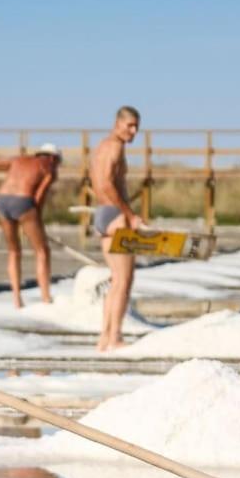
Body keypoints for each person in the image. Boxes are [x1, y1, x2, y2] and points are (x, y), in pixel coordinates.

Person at [0, 144, 62, 308]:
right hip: (24, 202)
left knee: (14, 251)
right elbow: (38, 200)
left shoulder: (19, 160)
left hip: (3, 201)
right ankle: (45, 297)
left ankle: (17, 299)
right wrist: (33, 221)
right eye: (58, 162)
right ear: (53, 157)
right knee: (42, 250)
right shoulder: (49, 168)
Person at [89, 106, 143, 351]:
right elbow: (107, 183)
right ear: (118, 123)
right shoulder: (115, 146)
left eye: (136, 127)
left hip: (102, 214)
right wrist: (129, 214)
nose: (133, 131)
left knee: (116, 280)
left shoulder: (101, 145)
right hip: (115, 214)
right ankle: (115, 337)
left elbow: (98, 182)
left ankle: (105, 337)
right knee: (124, 279)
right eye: (129, 125)